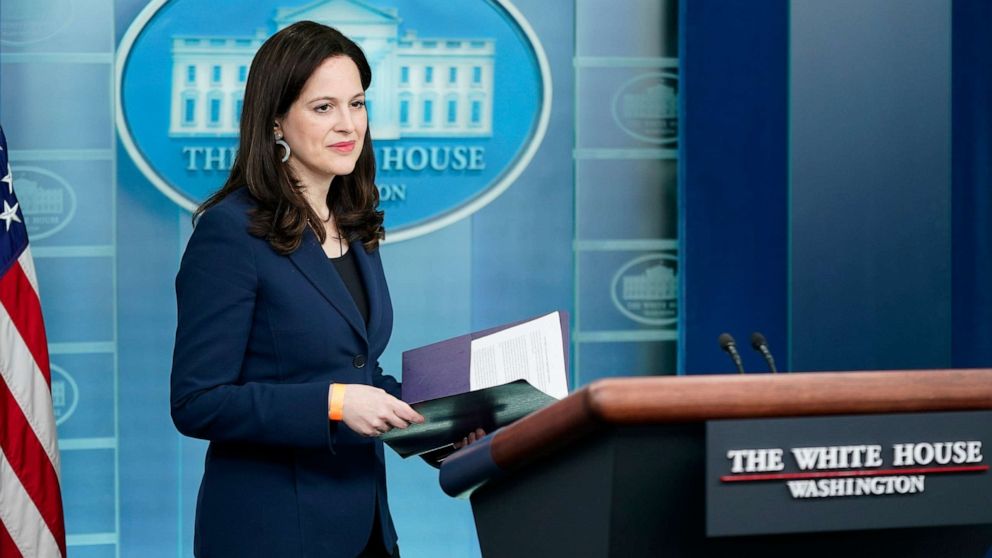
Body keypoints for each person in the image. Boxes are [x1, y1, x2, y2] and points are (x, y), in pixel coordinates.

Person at [171, 21, 482, 558]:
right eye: (324, 108)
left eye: (357, 104)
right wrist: (334, 404)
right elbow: (198, 402)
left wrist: (447, 426)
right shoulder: (230, 232)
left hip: (366, 528)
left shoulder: (354, 223)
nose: (348, 125)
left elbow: (359, 371)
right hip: (270, 533)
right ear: (275, 122)